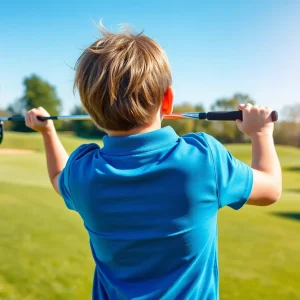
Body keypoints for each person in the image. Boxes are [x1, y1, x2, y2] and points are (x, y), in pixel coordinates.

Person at [25, 24, 282, 300]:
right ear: (167, 100)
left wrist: (47, 132)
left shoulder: (83, 172)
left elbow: (57, 178)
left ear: (90, 109)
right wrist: (260, 133)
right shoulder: (203, 160)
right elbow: (271, 189)